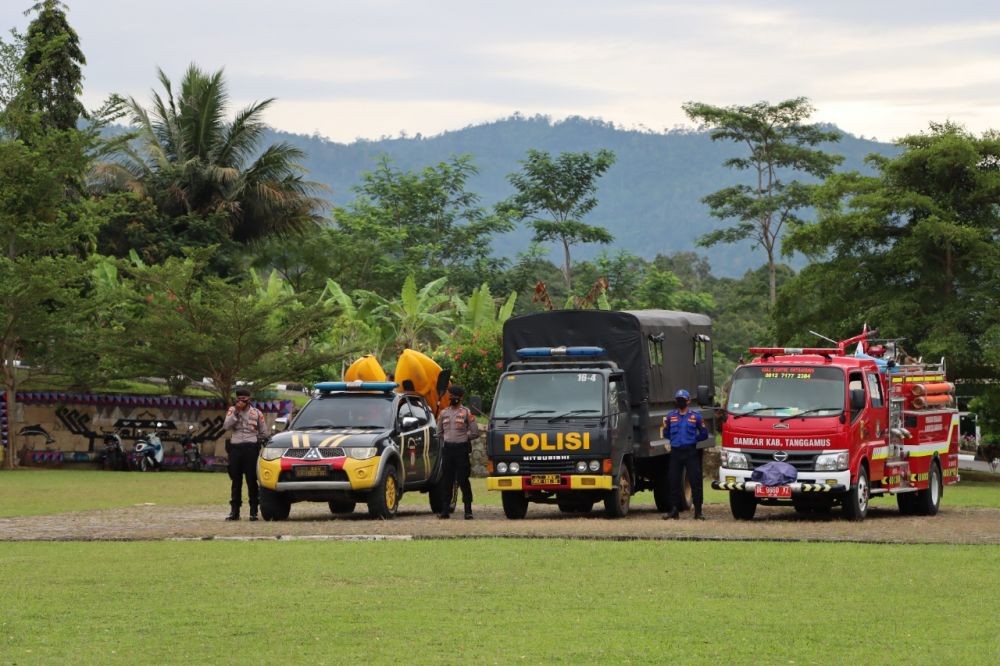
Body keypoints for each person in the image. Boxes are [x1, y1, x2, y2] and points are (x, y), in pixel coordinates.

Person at [663, 389, 709, 520]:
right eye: (678, 400)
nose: (681, 402)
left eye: (683, 399)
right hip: (676, 453)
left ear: (688, 401)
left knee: (695, 482)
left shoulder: (696, 416)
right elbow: (666, 433)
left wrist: (693, 440)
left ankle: (698, 512)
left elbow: (704, 433)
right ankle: (674, 511)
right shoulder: (670, 416)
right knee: (673, 481)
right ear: (675, 401)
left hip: (691, 452)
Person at [223, 388, 267, 521]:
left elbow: (264, 432)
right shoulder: (232, 410)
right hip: (235, 447)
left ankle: (253, 511)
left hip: (250, 448)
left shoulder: (257, 413)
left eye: (244, 399)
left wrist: (256, 440)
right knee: (236, 480)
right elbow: (226, 426)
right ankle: (234, 511)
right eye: (239, 399)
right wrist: (236, 411)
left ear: (249, 399)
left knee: (251, 480)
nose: (241, 401)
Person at [437, 385, 479, 519]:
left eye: (454, 396)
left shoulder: (466, 412)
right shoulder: (443, 413)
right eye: (450, 396)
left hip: (461, 450)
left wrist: (463, 438)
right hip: (448, 450)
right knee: (446, 480)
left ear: (460, 398)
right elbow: (439, 432)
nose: (451, 398)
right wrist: (449, 439)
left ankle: (468, 510)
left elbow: (475, 432)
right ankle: (445, 510)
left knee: (463, 480)